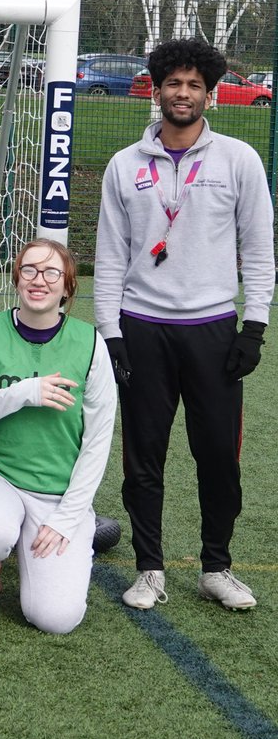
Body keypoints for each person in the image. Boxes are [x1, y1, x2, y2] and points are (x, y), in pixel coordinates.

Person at [95, 38, 273, 612]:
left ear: (210, 94)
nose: (184, 93)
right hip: (142, 328)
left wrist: (255, 328)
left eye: (195, 85)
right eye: (174, 82)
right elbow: (110, 254)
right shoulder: (125, 165)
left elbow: (260, 250)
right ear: (157, 88)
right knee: (143, 457)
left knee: (218, 456)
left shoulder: (238, 160)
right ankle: (149, 570)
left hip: (214, 330)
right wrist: (110, 331)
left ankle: (216, 567)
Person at [0, 239, 115, 634]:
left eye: (52, 272)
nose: (40, 280)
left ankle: (36, 543)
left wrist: (68, 517)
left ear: (67, 287)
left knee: (56, 619)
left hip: (55, 494)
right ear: (17, 278)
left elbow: (98, 442)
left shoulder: (91, 345)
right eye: (30, 270)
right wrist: (22, 393)